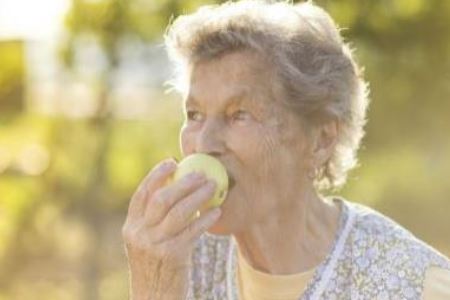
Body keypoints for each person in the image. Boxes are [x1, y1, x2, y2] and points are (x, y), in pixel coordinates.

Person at [121, 1, 450, 299]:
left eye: (239, 115)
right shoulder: (176, 258)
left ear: (321, 140)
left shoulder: (417, 286)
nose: (204, 144)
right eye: (194, 115)